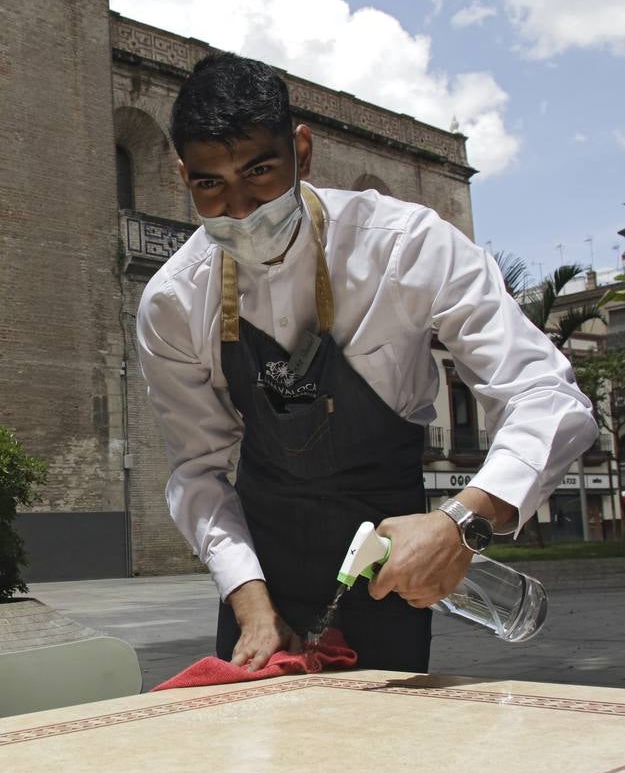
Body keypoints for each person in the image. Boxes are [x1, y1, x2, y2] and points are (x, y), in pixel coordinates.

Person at [137, 52, 597, 673]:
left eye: (261, 172)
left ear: (302, 151)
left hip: (397, 564)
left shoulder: (406, 245)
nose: (241, 211)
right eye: (210, 185)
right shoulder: (172, 303)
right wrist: (249, 602)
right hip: (260, 571)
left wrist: (463, 521)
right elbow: (197, 471)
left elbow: (548, 396)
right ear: (181, 174)